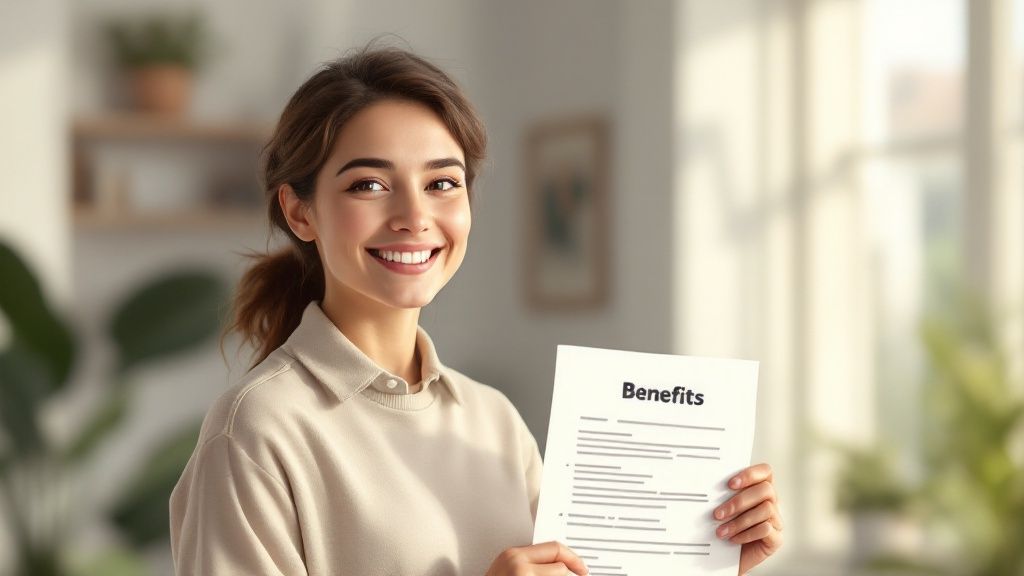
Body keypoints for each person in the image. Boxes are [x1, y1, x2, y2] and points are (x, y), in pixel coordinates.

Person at [168, 44, 782, 576]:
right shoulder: (256, 431)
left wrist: (705, 556)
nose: (415, 216)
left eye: (442, 183)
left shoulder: (496, 423)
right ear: (300, 211)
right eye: (369, 184)